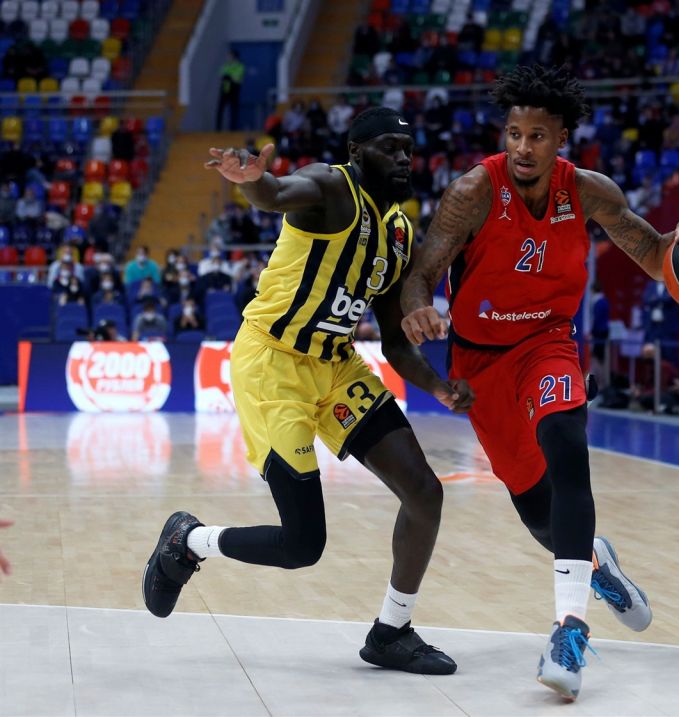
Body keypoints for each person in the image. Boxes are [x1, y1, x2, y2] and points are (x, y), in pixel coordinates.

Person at [399, 65, 679, 700]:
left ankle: (569, 629)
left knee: (566, 443)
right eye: (514, 134)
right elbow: (421, 273)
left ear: (561, 138)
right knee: (540, 516)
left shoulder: (588, 191)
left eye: (537, 136)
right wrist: (419, 307)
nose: (523, 147)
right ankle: (595, 562)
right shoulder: (473, 192)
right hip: (479, 364)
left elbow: (654, 253)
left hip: (548, 343)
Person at [142, 106, 473, 676]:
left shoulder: (399, 234)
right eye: (389, 148)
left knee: (424, 491)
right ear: (357, 152)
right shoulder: (330, 187)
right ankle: (189, 541)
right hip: (272, 365)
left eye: (408, 150)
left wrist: (440, 389)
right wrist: (254, 182)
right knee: (302, 545)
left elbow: (395, 343)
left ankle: (391, 632)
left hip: (336, 366)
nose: (403, 158)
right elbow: (277, 193)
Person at [216, 50, 244, 131]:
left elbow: (236, 77)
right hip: (225, 88)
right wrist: (229, 76)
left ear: (235, 57)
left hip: (234, 89)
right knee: (220, 109)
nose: (228, 58)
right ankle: (218, 128)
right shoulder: (226, 65)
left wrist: (228, 75)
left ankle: (233, 129)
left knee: (234, 110)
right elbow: (221, 74)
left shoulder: (240, 66)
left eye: (230, 56)